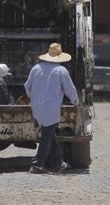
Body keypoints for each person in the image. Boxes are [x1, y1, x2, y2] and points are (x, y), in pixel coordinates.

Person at [24, 43, 79, 174]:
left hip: (37, 108)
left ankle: (58, 163)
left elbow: (27, 87)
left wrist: (34, 98)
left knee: (49, 134)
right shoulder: (61, 71)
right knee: (47, 135)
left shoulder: (36, 68)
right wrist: (75, 102)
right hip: (51, 108)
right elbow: (70, 90)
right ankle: (37, 164)